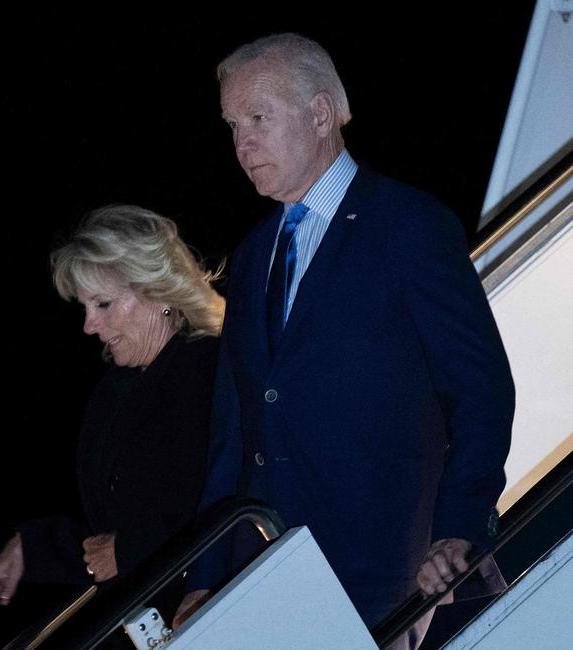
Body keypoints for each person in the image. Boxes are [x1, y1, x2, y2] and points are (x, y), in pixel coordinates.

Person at [175, 33, 514, 648]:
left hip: (384, 577)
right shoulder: (251, 257)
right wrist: (205, 574)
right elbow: (236, 433)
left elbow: (481, 390)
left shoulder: (409, 226)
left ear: (321, 113)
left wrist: (459, 526)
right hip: (269, 575)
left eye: (258, 117)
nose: (241, 143)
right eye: (231, 124)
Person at [0, 204, 225, 634]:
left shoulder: (209, 370)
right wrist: (29, 549)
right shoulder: (117, 390)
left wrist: (131, 550)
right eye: (85, 306)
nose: (89, 325)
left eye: (103, 303)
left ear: (159, 291)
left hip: (208, 617)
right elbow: (107, 539)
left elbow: (219, 495)